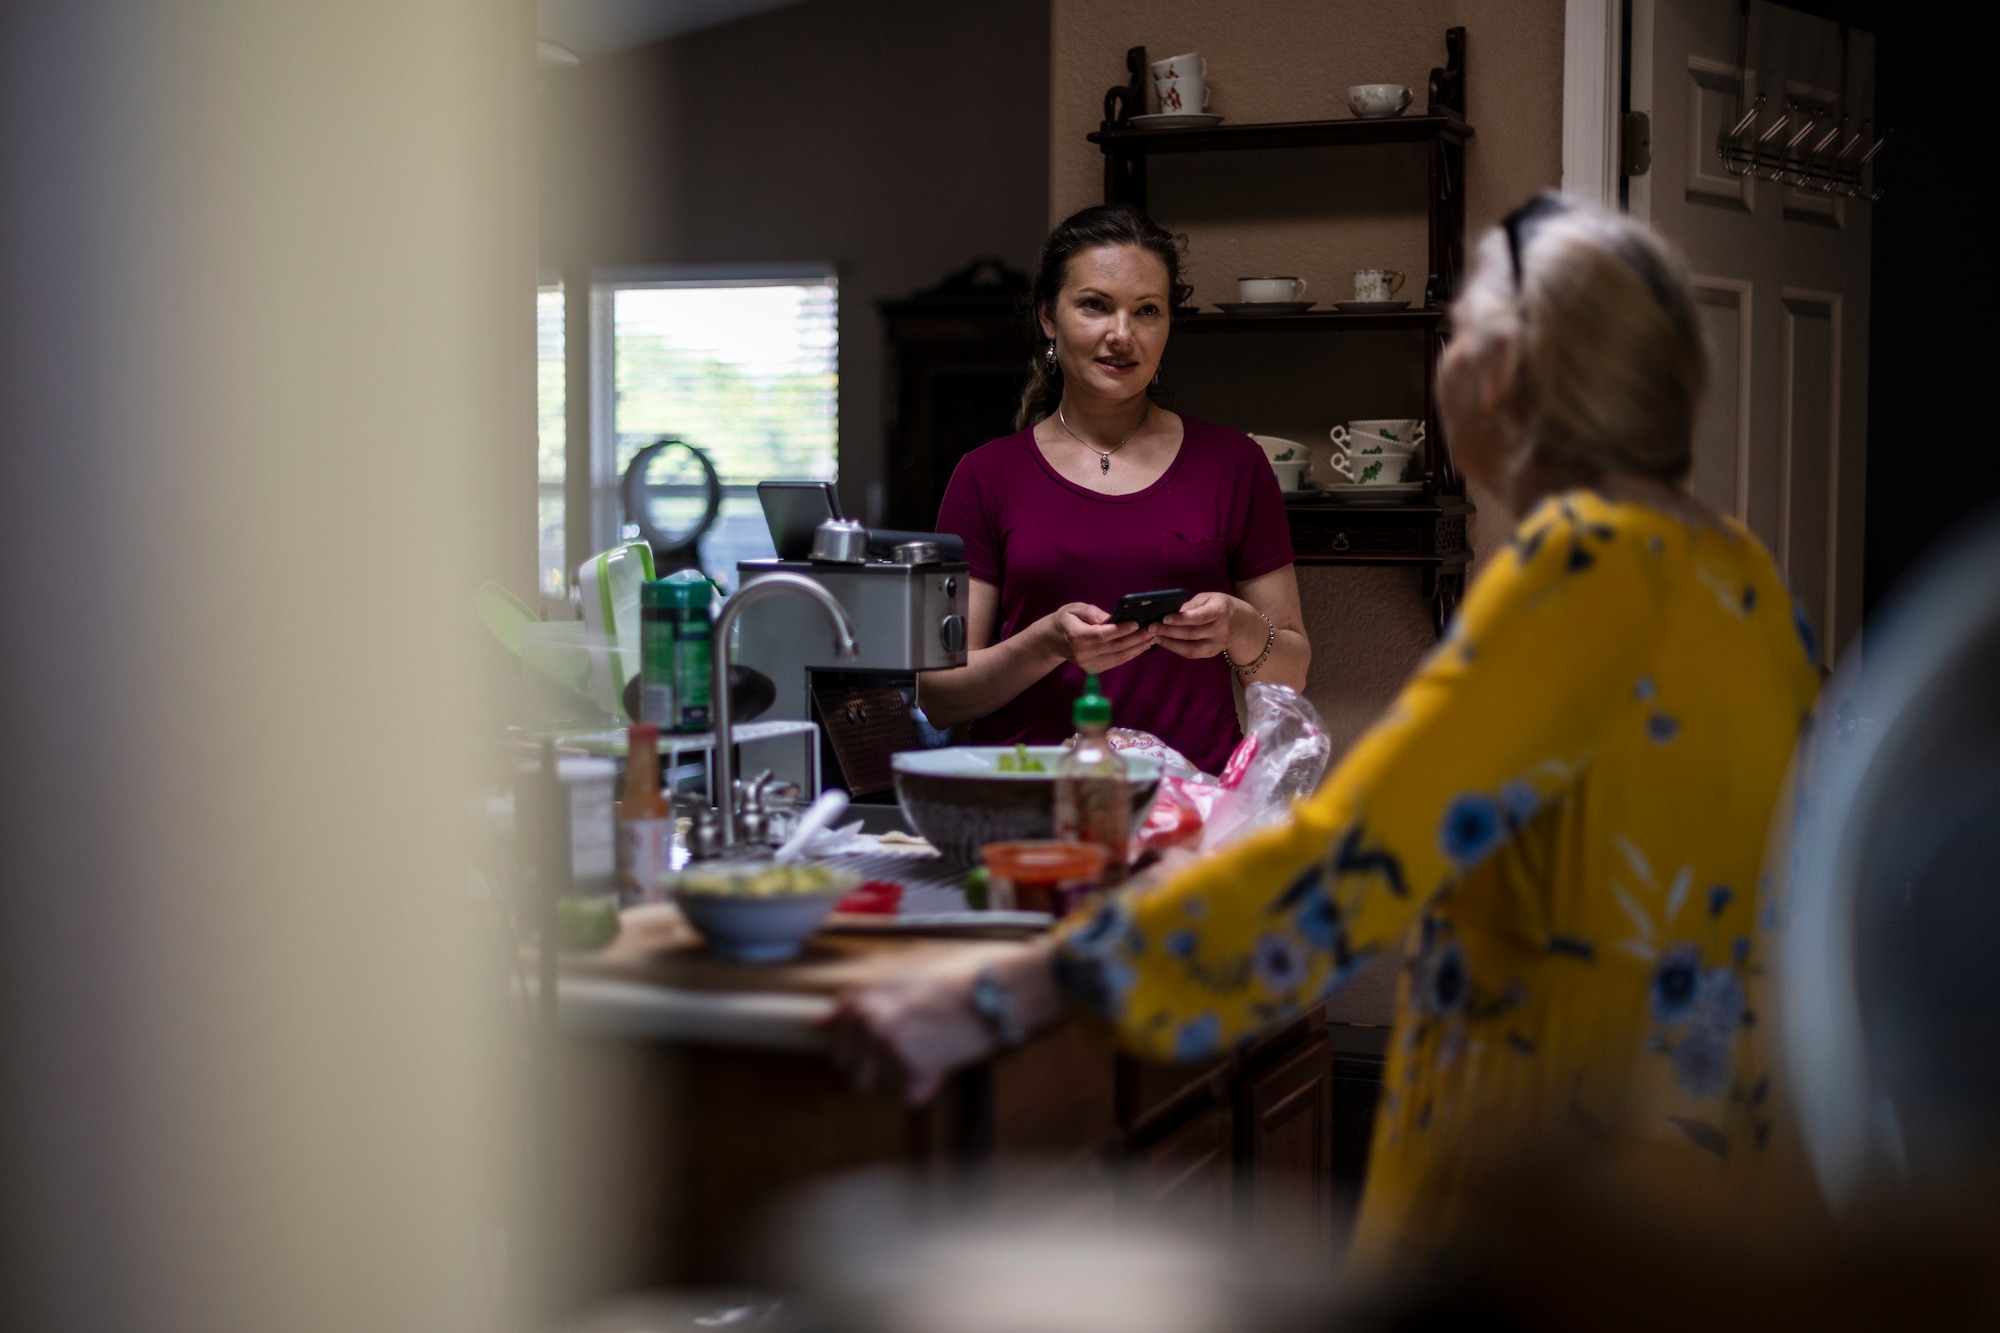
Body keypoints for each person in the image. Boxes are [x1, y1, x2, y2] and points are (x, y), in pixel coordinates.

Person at [829, 195, 1825, 1269]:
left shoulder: (1576, 568)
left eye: (1456, 339)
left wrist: (1006, 994)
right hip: (1732, 1166)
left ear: (1502, 376)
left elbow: (1350, 867)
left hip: (1559, 1186)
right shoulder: (1742, 572)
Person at [915, 204, 1309, 775]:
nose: (1121, 335)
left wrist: (1241, 628)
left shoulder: (1235, 464)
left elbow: (1292, 676)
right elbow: (941, 695)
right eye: (1095, 305)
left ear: (1168, 324)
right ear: (1049, 316)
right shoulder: (985, 476)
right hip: (1030, 803)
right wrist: (1048, 642)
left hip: (1193, 808)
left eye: (1146, 310)